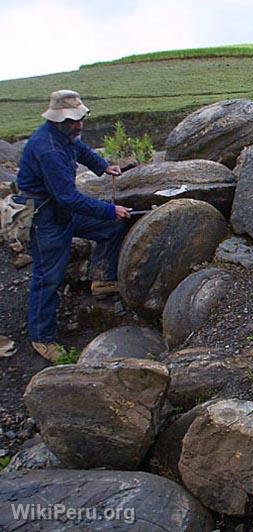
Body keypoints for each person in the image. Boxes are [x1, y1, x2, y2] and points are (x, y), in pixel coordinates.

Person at [14, 90, 132, 362]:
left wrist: (104, 166)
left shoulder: (65, 136)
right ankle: (41, 337)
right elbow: (67, 197)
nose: (78, 125)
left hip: (61, 208)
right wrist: (108, 209)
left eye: (80, 119)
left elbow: (80, 150)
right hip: (45, 215)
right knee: (48, 276)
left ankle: (102, 279)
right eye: (72, 121)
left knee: (111, 228)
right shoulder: (49, 148)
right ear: (57, 120)